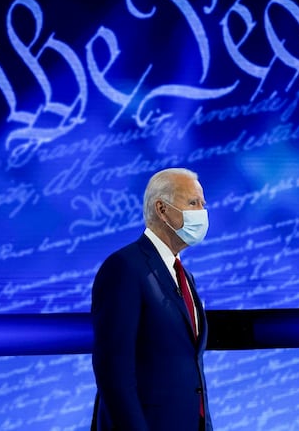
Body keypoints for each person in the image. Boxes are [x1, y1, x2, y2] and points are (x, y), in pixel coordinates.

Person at [91, 167, 213, 431]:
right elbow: (113, 371)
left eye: (203, 204)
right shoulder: (124, 268)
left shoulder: (185, 276)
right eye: (193, 203)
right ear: (162, 209)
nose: (202, 212)